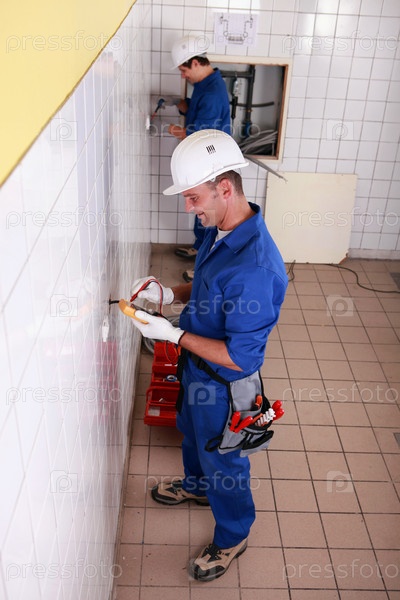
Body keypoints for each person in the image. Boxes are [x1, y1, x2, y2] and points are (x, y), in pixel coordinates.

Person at [129, 130, 288, 582]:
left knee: (225, 462)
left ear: (224, 188)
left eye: (193, 197)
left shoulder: (255, 268)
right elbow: (206, 286)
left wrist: (173, 335)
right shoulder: (222, 229)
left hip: (225, 385)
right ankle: (198, 487)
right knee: (191, 434)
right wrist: (169, 294)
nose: (189, 207)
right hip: (197, 370)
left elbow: (241, 358)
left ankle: (233, 535)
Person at [168, 35, 231, 280]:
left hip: (212, 161)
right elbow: (201, 111)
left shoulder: (212, 92)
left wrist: (172, 130)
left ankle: (205, 267)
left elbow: (200, 132)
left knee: (209, 210)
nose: (183, 76)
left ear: (195, 63)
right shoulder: (205, 85)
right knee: (202, 206)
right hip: (204, 159)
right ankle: (200, 248)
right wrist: (186, 106)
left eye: (184, 70)